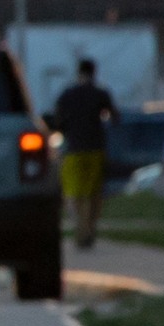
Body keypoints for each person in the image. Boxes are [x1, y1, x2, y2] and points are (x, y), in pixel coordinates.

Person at [48, 56, 120, 252]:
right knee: (93, 193)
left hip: (73, 150)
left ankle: (80, 229)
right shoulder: (100, 94)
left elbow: (57, 122)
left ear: (78, 72)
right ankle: (90, 228)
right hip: (96, 149)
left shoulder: (67, 95)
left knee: (73, 194)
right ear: (94, 72)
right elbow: (115, 117)